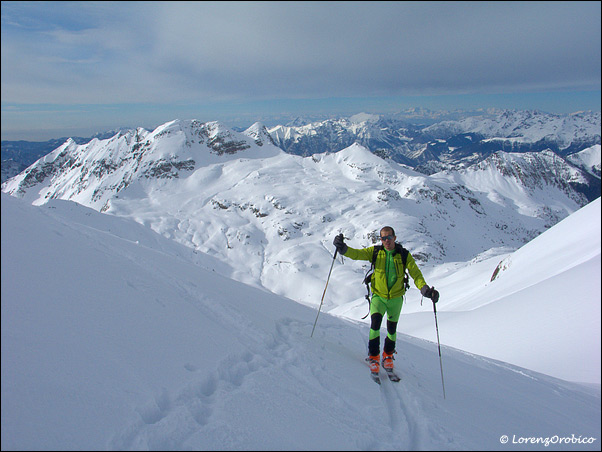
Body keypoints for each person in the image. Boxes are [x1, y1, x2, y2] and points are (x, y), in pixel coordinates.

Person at [333, 227, 439, 376]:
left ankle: (388, 355)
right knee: (375, 325)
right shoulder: (375, 252)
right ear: (380, 240)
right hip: (378, 297)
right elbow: (357, 254)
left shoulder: (403, 255)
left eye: (389, 237)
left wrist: (425, 289)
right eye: (383, 238)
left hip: (396, 299)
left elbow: (416, 274)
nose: (386, 241)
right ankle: (374, 356)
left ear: (395, 238)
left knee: (391, 330)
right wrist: (343, 248)